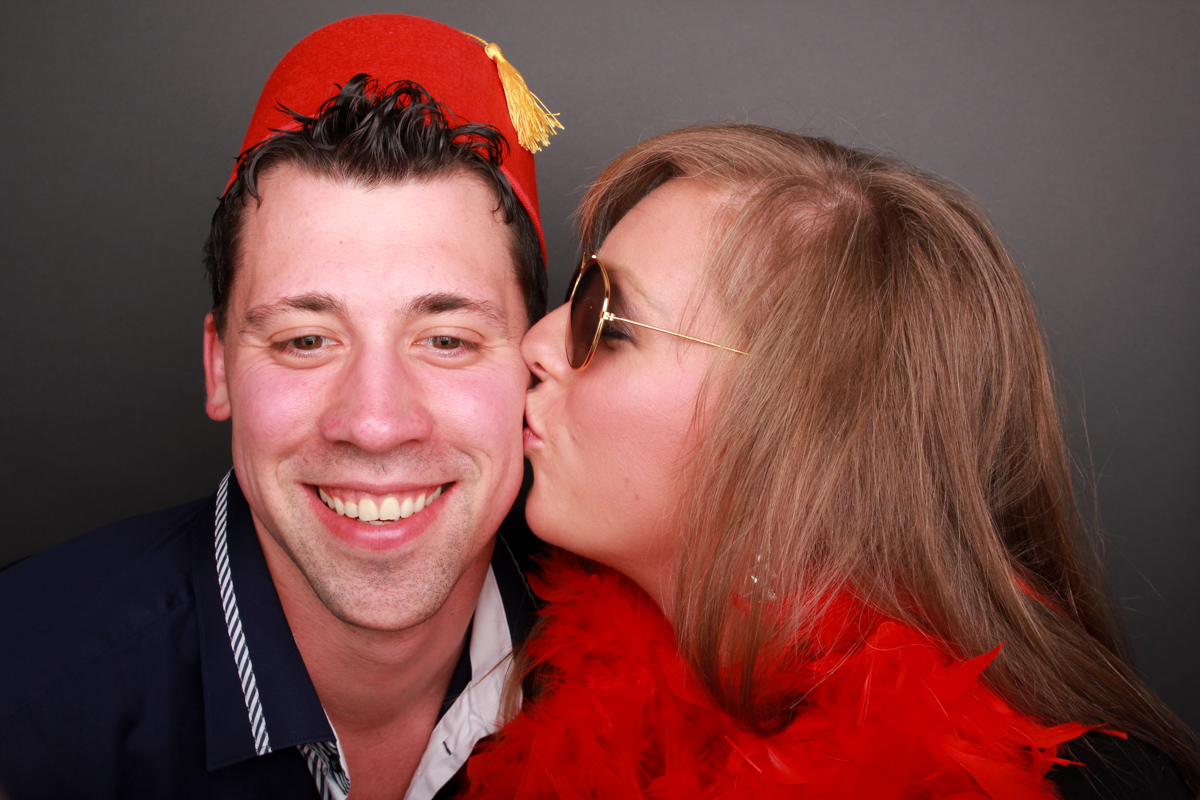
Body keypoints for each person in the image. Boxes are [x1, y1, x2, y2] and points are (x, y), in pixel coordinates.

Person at [466, 124, 1200, 798]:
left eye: (606, 319)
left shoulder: (1091, 790)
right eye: (575, 289)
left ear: (792, 427)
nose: (536, 342)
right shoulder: (540, 679)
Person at [0, 14, 560, 800]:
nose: (374, 423)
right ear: (219, 367)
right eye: (305, 340)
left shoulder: (682, 688)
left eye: (446, 340)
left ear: (534, 370)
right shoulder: (20, 696)